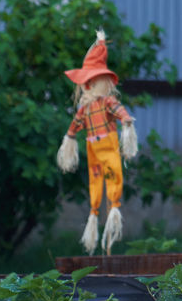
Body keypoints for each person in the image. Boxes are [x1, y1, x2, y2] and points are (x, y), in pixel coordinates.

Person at [56, 29, 138, 254]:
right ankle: (94, 213)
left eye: (91, 80)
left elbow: (119, 110)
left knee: (113, 176)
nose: (88, 86)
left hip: (109, 145)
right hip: (93, 147)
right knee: (95, 180)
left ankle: (112, 212)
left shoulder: (107, 102)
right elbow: (75, 125)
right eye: (86, 81)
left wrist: (126, 121)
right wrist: (70, 138)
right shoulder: (85, 108)